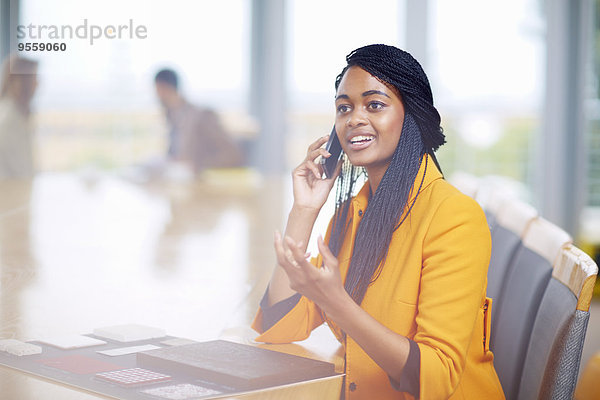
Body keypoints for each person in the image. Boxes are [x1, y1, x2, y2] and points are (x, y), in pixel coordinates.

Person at [252, 44, 504, 399]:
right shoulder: (351, 214)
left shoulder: (454, 218)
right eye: (344, 108)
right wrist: (304, 211)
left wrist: (339, 303)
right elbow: (279, 322)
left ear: (411, 114)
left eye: (375, 104)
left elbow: (435, 376)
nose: (354, 118)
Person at [154, 68, 244, 172]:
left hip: (200, 182)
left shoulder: (202, 116)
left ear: (165, 88)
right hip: (179, 179)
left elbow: (233, 155)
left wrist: (197, 166)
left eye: (158, 90)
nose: (157, 96)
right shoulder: (172, 117)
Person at [0, 55, 38, 179]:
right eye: (33, 78)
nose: (37, 84)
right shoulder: (8, 120)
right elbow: (23, 172)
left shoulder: (16, 114)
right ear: (17, 81)